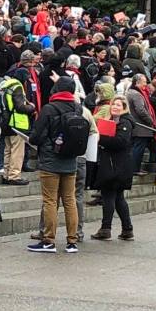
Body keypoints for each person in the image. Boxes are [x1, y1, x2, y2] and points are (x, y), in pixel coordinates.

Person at [27, 76, 83, 253]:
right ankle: (72, 241)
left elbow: (36, 136)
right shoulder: (78, 108)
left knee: (50, 201)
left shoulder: (49, 108)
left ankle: (48, 240)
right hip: (70, 159)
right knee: (70, 200)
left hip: (50, 160)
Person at [90, 95, 135, 241]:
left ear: (124, 108)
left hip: (115, 165)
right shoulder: (113, 121)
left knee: (109, 196)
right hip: (113, 163)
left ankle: (106, 228)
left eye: (118, 105)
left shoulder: (125, 122)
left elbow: (121, 141)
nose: (115, 107)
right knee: (118, 198)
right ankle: (127, 229)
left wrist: (101, 139)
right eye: (113, 104)